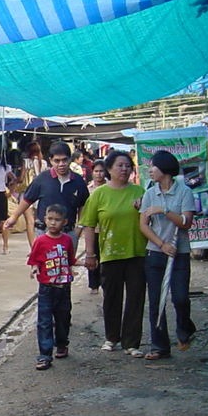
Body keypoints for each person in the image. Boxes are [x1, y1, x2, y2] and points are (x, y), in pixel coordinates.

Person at [80, 150, 148, 357]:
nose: (124, 169)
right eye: (120, 165)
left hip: (137, 252)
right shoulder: (99, 194)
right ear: (109, 169)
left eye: (128, 165)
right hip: (109, 253)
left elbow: (151, 220)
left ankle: (132, 342)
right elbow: (89, 225)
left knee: (136, 297)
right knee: (111, 297)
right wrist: (90, 254)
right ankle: (111, 337)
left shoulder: (140, 191)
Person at [138, 150, 196, 360]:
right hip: (156, 252)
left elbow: (186, 222)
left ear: (164, 169)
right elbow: (143, 225)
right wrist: (161, 244)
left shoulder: (184, 193)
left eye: (152, 167)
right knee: (156, 301)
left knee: (180, 297)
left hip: (179, 253)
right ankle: (159, 346)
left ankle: (185, 328)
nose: (150, 171)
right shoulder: (149, 193)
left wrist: (163, 211)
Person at [4, 141, 89, 253]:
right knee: (42, 267)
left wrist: (80, 227)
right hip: (44, 233)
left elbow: (83, 205)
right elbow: (27, 199)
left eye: (64, 160)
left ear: (70, 159)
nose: (61, 164)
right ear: (50, 160)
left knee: (66, 267)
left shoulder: (78, 181)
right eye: (57, 161)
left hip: (68, 233)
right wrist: (14, 217)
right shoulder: (42, 179)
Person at [27, 204, 76, 370]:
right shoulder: (40, 241)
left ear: (65, 222)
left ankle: (62, 343)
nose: (53, 223)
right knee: (44, 321)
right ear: (44, 220)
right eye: (50, 219)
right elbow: (34, 260)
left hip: (63, 286)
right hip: (46, 287)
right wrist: (34, 269)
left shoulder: (67, 240)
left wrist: (82, 264)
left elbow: (70, 260)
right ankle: (45, 355)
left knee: (63, 318)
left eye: (57, 220)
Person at [85, 159, 107, 294]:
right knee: (92, 254)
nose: (99, 174)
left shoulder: (110, 188)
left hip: (106, 228)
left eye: (101, 171)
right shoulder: (88, 189)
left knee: (104, 259)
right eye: (96, 171)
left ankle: (105, 283)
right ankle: (93, 285)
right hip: (92, 228)